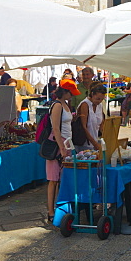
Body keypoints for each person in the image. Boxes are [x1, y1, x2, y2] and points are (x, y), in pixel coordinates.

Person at [44, 86, 74, 226]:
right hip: (57, 145)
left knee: (62, 178)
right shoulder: (57, 105)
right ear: (65, 92)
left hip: (67, 143)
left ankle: (61, 208)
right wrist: (61, 148)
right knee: (53, 179)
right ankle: (51, 211)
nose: (72, 95)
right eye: (70, 92)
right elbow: (55, 127)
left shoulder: (65, 105)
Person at [76, 83, 106, 152]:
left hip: (95, 141)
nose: (99, 101)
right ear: (92, 94)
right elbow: (84, 127)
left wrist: (105, 138)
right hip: (84, 143)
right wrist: (94, 143)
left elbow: (102, 124)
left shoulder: (100, 105)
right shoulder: (85, 104)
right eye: (98, 99)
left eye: (102, 99)